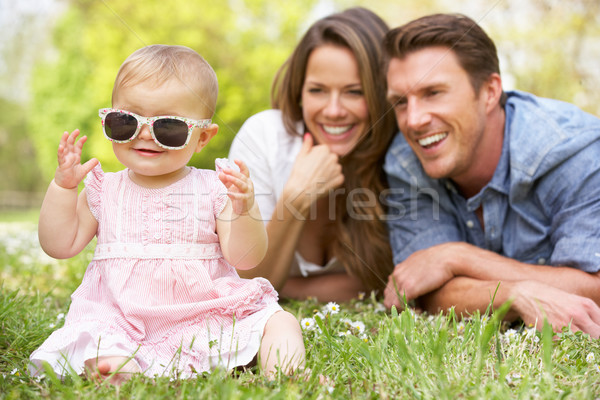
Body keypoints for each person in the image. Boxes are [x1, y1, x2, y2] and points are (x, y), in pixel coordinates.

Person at [29, 45, 305, 384]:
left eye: (169, 128)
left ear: (202, 137)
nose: (144, 134)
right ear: (108, 121)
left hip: (202, 313)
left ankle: (287, 376)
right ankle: (121, 372)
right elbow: (59, 244)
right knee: (103, 347)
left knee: (279, 322)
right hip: (120, 317)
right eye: (125, 122)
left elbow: (245, 258)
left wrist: (244, 209)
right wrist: (62, 189)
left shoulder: (215, 187)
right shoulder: (104, 189)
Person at [382, 13, 600, 337]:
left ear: (489, 91)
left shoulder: (572, 151)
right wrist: (516, 294)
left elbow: (592, 289)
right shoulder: (405, 162)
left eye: (433, 93)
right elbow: (424, 289)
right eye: (400, 102)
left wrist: (455, 256)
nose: (413, 120)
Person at [229, 7, 397, 302]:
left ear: (381, 93)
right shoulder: (265, 139)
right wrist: (297, 197)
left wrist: (290, 289)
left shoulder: (397, 155)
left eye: (354, 92)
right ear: (299, 93)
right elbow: (247, 287)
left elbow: (393, 283)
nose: (333, 111)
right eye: (317, 90)